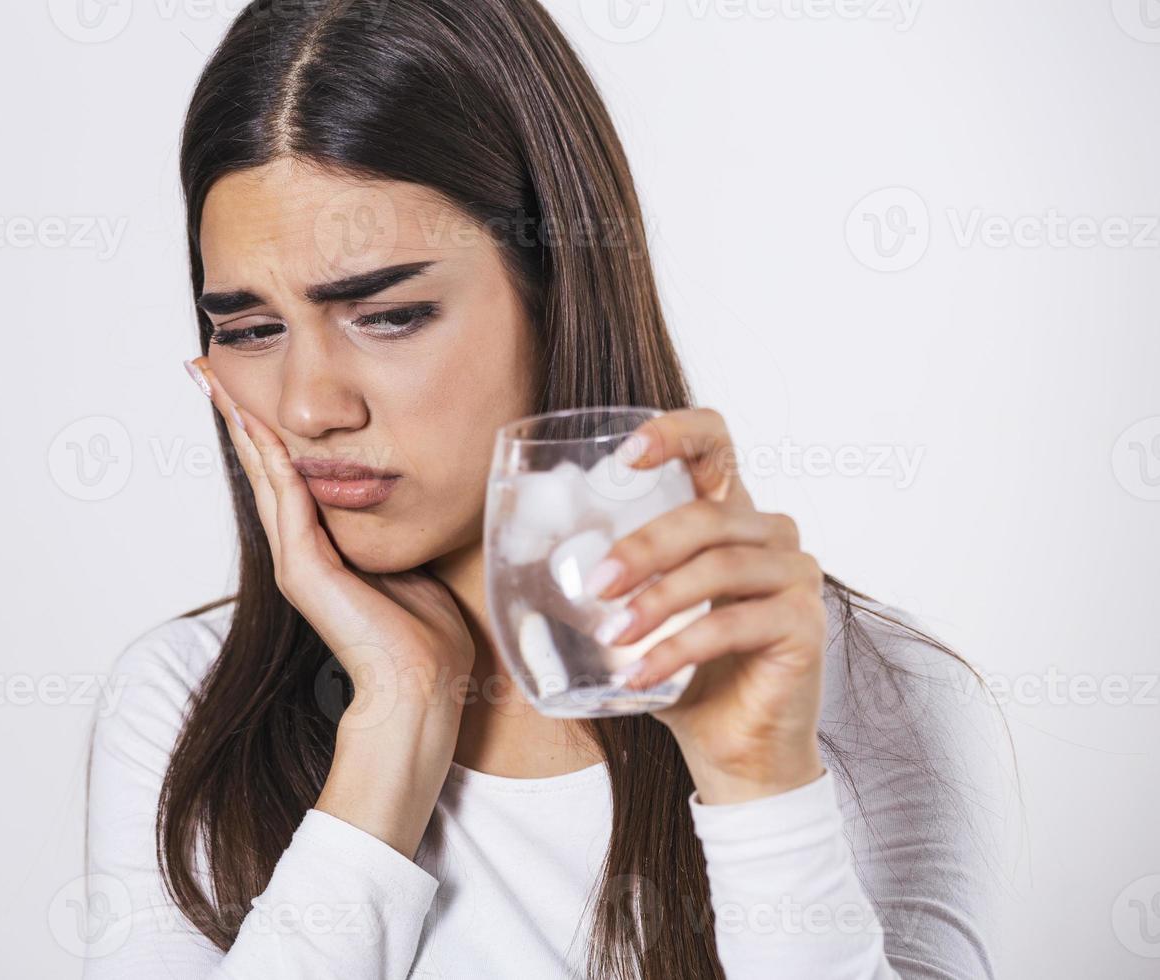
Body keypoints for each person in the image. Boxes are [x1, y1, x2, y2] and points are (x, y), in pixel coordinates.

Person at [84, 1, 1010, 976]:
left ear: (557, 287)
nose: (310, 405)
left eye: (389, 315)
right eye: (249, 327)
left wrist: (759, 789)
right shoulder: (182, 706)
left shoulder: (873, 697)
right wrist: (392, 732)